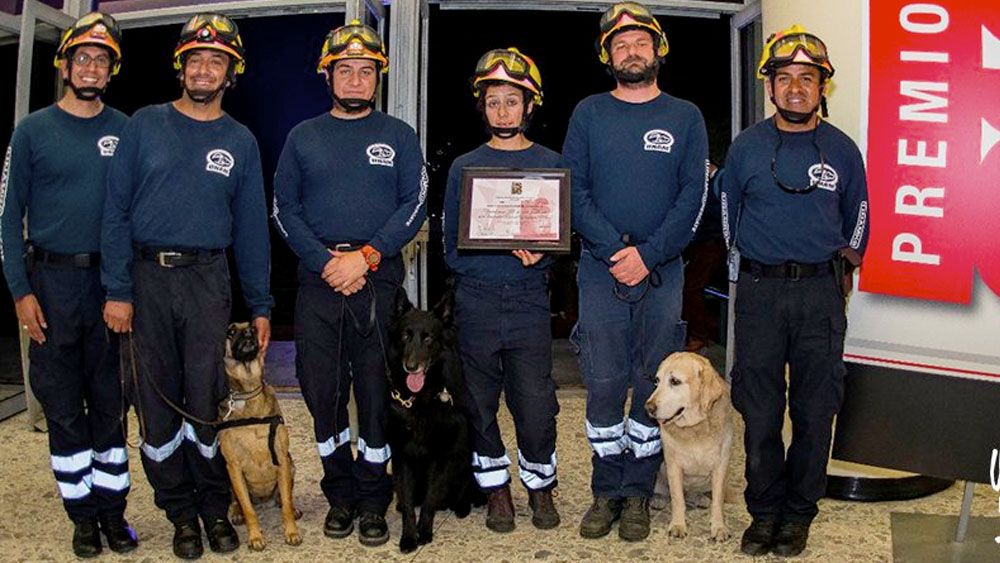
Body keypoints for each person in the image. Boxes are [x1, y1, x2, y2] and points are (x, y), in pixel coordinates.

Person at [101, 13, 273, 559]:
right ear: (181, 67)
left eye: (216, 61)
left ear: (231, 73)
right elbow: (116, 212)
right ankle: (179, 513)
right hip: (147, 281)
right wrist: (117, 289)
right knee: (156, 406)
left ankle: (213, 506)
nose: (204, 69)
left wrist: (262, 302)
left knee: (207, 401)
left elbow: (250, 230)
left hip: (208, 281)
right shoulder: (143, 125)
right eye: (195, 59)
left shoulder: (240, 141)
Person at [272, 20, 426, 547]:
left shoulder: (398, 137)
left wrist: (366, 256)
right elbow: (283, 208)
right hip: (319, 285)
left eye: (366, 71)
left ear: (377, 78)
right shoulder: (302, 137)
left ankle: (373, 498)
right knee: (323, 394)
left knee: (376, 395)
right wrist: (325, 261)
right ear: (328, 76)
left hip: (377, 283)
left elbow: (415, 203)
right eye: (346, 70)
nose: (356, 79)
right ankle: (339, 494)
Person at [562, 1, 709, 542]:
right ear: (608, 56)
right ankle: (606, 492)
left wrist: (648, 254)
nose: (631, 50)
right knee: (602, 386)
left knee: (655, 387)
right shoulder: (589, 113)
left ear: (657, 50)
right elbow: (573, 189)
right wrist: (612, 250)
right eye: (619, 44)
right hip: (601, 273)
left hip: (661, 273)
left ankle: (639, 495)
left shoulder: (684, 116)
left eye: (639, 42)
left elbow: (693, 198)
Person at [719, 25, 868, 557]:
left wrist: (841, 270)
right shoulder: (747, 147)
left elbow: (859, 217)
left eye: (808, 78)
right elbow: (727, 212)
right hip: (759, 292)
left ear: (822, 86)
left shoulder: (843, 150)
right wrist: (747, 267)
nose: (796, 88)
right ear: (771, 87)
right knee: (759, 408)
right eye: (785, 79)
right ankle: (764, 511)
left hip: (818, 297)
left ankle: (799, 513)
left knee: (814, 408)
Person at [0, 12, 137, 558]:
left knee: (110, 406)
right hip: (49, 284)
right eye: (82, 57)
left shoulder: (126, 130)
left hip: (110, 285)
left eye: (102, 61)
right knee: (63, 408)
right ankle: (81, 516)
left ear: (111, 72)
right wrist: (19, 291)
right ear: (63, 65)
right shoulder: (31, 131)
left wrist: (125, 289)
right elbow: (8, 217)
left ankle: (113, 514)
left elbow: (133, 214)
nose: (92, 67)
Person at [443, 47, 561, 533]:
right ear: (483, 107)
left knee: (535, 404)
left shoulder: (551, 162)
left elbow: (560, 234)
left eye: (512, 101)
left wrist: (545, 254)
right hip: (475, 300)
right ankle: (496, 492)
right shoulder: (463, 167)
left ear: (529, 105)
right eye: (493, 102)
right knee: (477, 402)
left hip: (529, 300)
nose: (503, 111)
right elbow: (449, 245)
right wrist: (483, 251)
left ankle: (540, 486)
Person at [681, 162, 726, 352]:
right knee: (690, 286)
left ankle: (699, 335)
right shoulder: (709, 184)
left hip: (712, 243)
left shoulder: (720, 181)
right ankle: (695, 333)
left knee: (692, 286)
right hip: (702, 243)